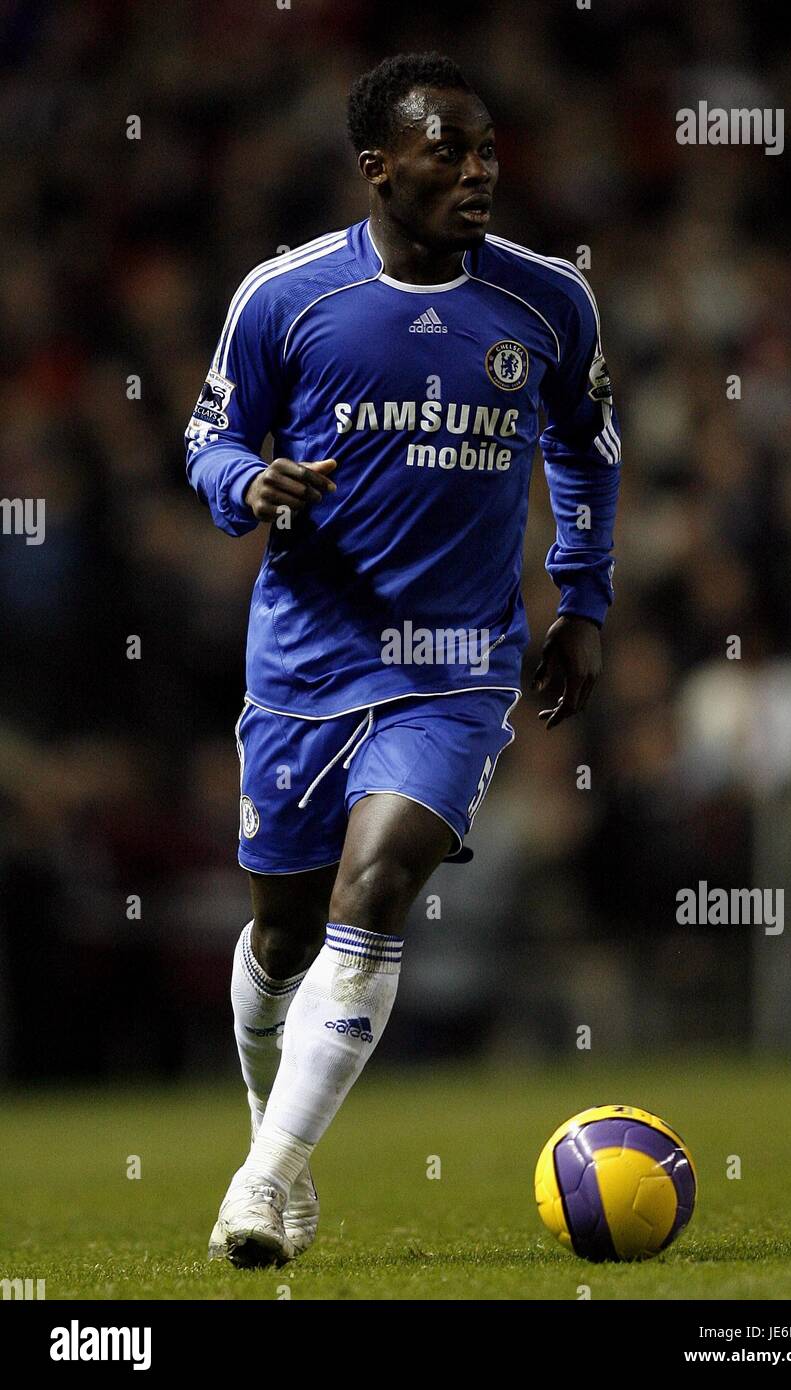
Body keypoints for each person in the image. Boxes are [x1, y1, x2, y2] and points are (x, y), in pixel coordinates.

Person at [185, 51, 621, 1267]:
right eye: (449, 149)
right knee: (279, 934)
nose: (479, 171)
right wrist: (248, 479)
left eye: (488, 151)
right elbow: (208, 435)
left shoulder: (546, 303)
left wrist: (579, 602)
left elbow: (587, 449)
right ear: (378, 167)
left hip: (456, 663)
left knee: (374, 888)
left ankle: (264, 1186)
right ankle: (265, 1132)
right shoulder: (285, 297)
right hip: (305, 661)